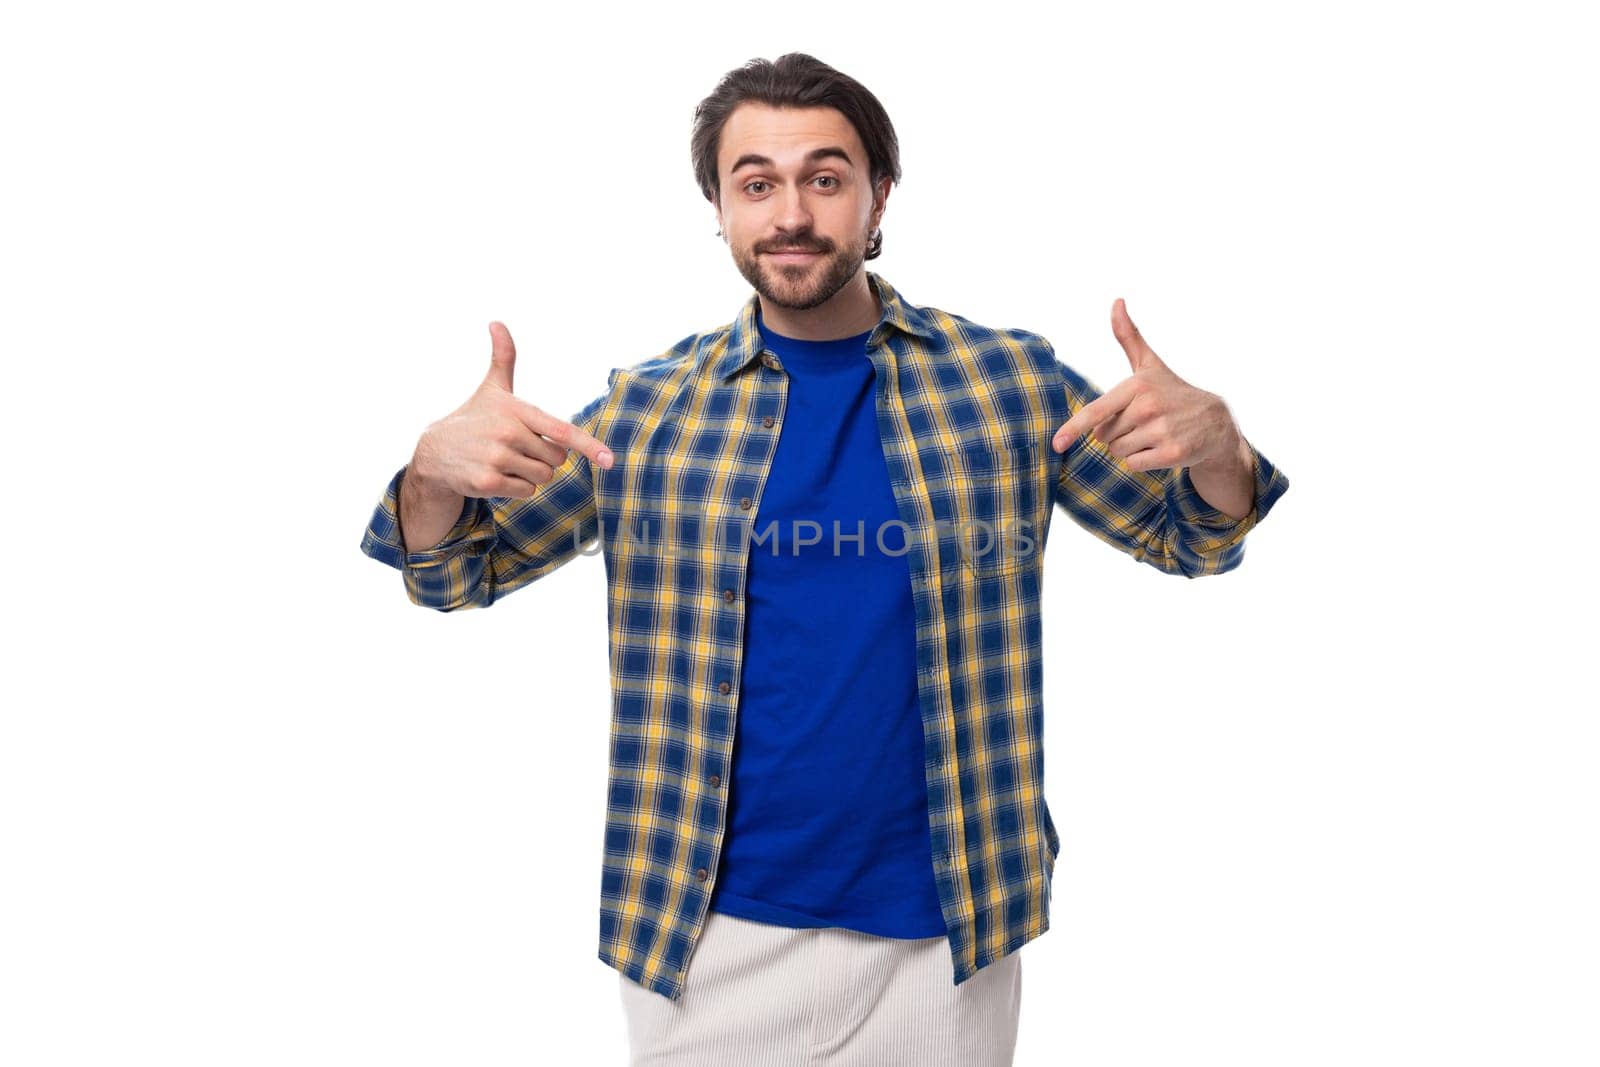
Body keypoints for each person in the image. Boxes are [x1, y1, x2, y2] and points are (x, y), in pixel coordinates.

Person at [358, 52, 1290, 1067]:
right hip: (702, 934)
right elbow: (457, 572)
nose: (789, 212)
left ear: (877, 196)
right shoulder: (647, 409)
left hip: (944, 931)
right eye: (754, 182)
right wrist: (432, 476)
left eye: (825, 177)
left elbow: (1191, 537)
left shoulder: (1006, 383)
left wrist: (1221, 450)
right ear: (717, 206)